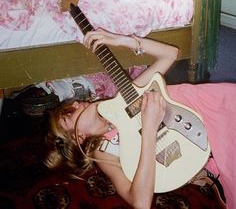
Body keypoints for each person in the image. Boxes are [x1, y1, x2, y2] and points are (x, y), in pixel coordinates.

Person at [44, 29, 235, 209]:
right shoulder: (104, 152)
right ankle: (209, 171)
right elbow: (141, 203)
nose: (76, 104)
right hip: (200, 137)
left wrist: (121, 39)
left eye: (72, 104)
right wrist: (149, 129)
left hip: (212, 105)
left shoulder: (122, 98)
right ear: (79, 136)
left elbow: (170, 54)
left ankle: (207, 172)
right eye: (69, 113)